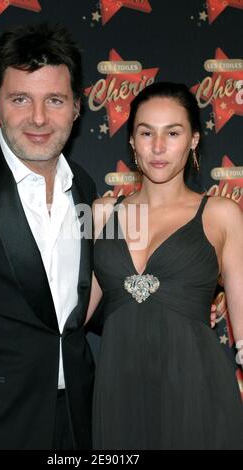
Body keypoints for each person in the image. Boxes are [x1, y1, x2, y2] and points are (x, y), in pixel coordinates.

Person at [0, 23, 97, 450]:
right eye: (20, 99)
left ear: (76, 107)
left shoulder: (84, 188)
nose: (38, 118)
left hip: (74, 422)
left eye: (54, 100)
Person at [86, 82, 243, 450]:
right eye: (146, 133)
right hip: (118, 391)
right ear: (132, 141)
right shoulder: (101, 212)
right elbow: (75, 315)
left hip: (199, 393)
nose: (158, 147)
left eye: (172, 133)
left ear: (193, 140)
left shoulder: (221, 214)